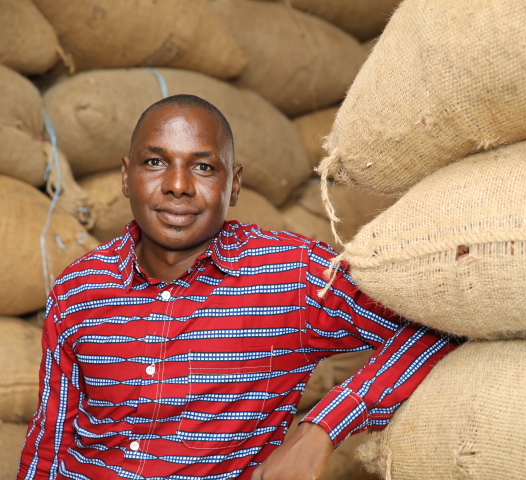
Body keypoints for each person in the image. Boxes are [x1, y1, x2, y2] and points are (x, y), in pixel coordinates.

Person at [17, 94, 456, 480]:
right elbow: (49, 442)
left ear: (234, 185)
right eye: (155, 162)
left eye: (203, 167)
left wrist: (321, 429)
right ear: (126, 177)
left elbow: (436, 326)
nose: (177, 185)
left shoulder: (292, 275)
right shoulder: (79, 287)